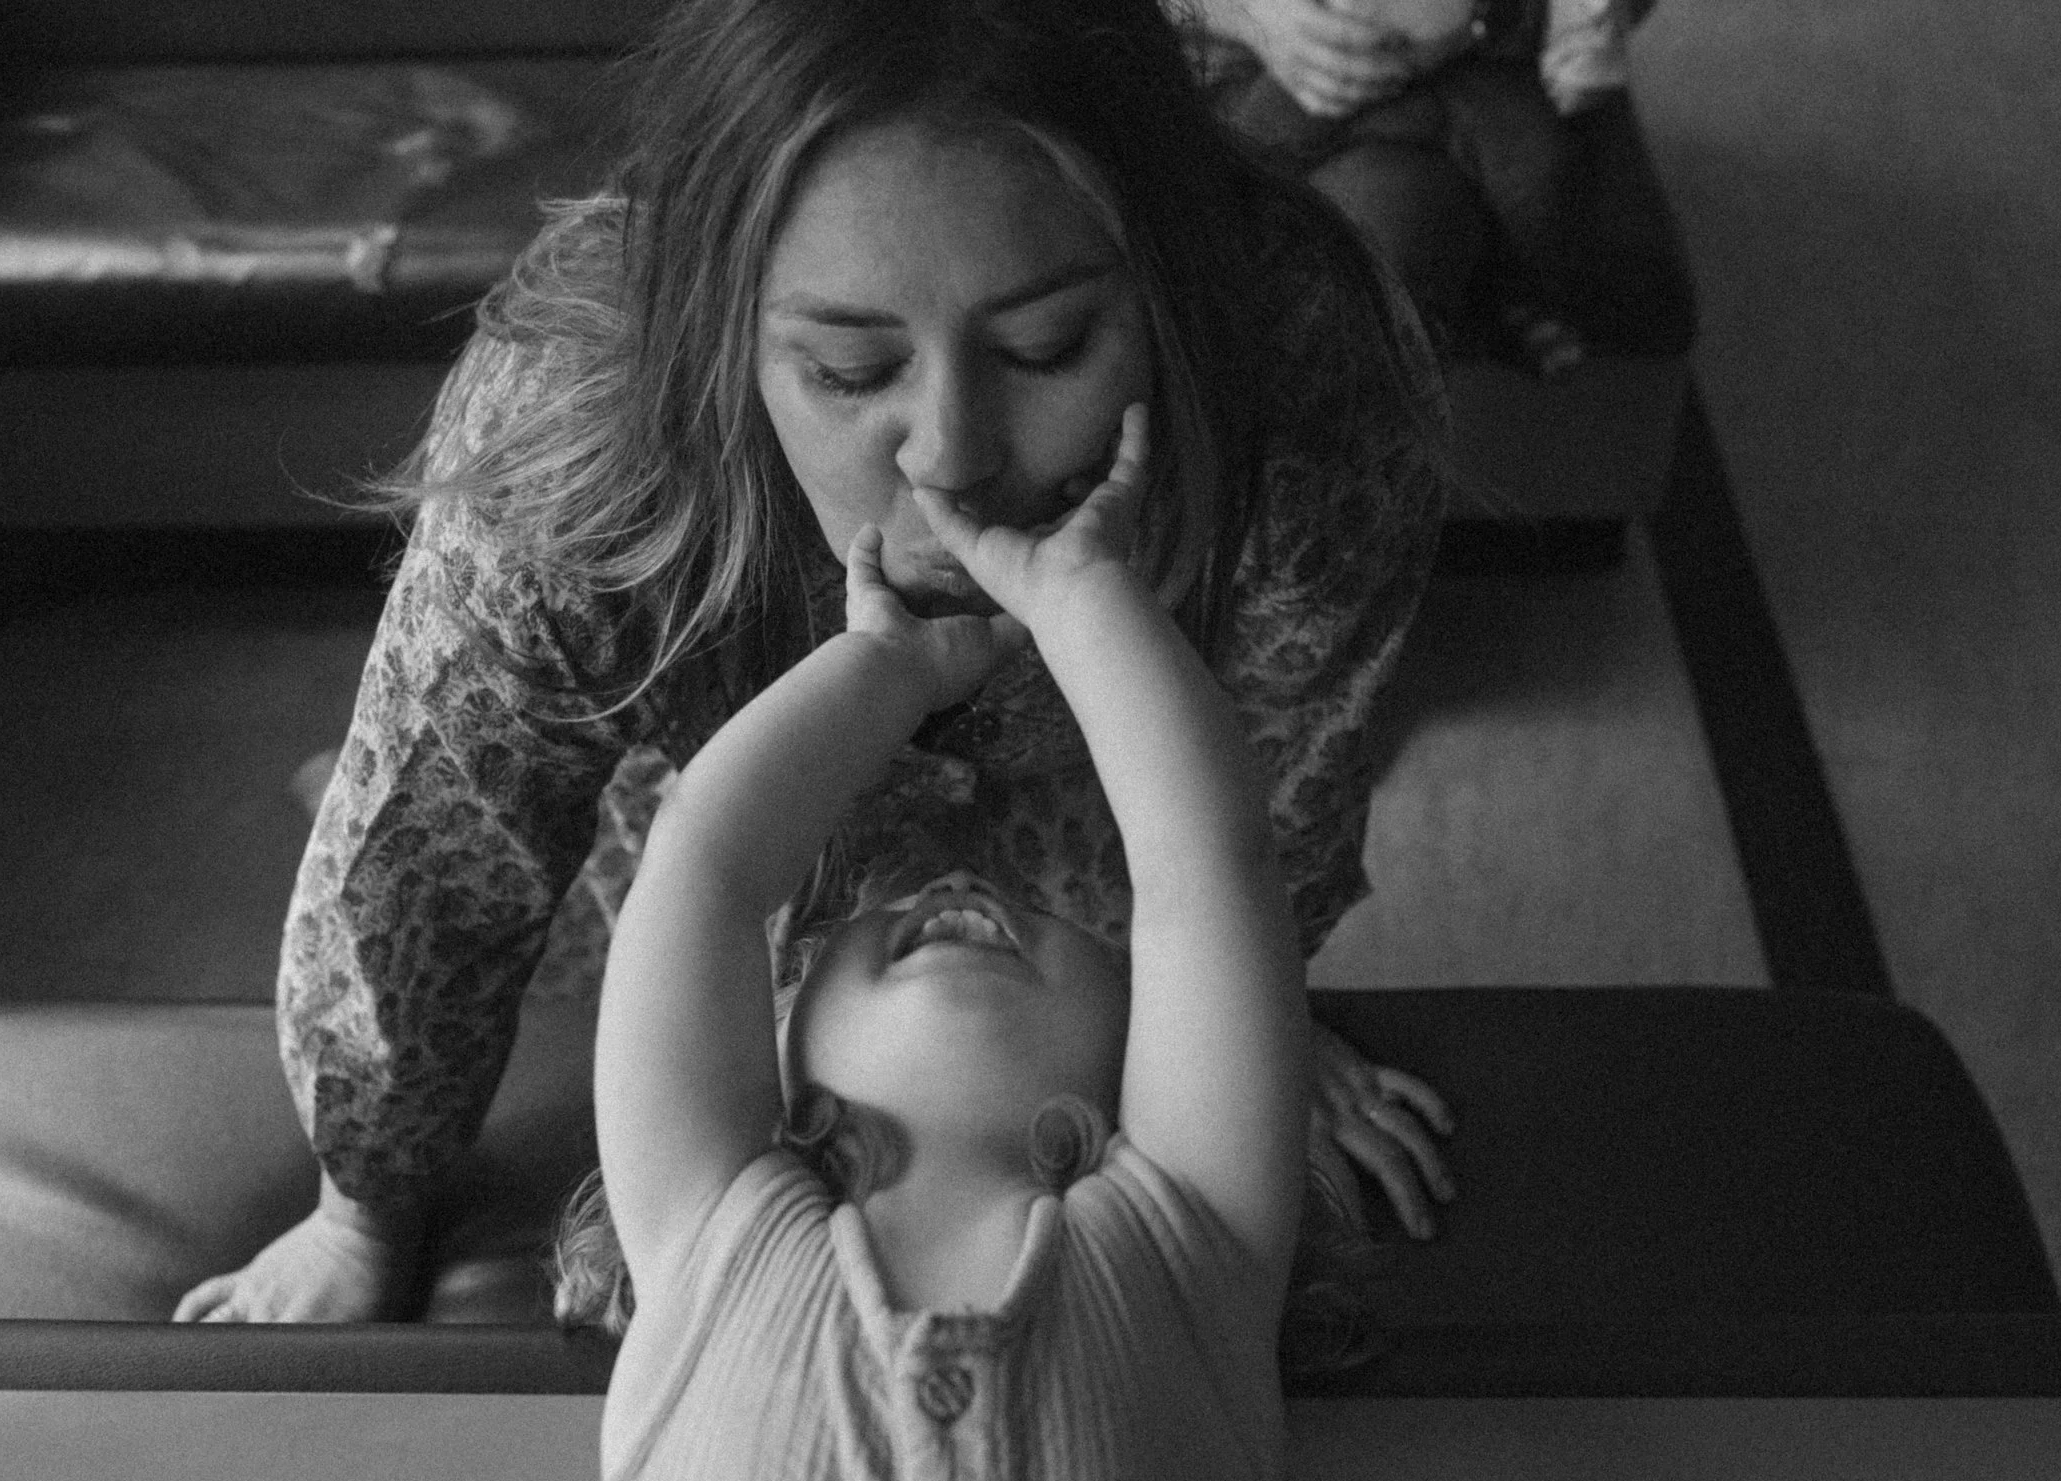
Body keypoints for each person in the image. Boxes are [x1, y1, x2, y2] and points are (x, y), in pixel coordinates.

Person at [176, 0, 1453, 1327]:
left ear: (1172, 290)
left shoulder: (1301, 354)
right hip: (728, 751)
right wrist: (365, 1200)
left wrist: (1236, 1018)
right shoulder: (566, 440)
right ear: (722, 334)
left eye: (1046, 348)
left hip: (1101, 794)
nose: (951, 455)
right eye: (850, 370)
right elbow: (428, 861)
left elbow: (1277, 776)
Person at [533, 395, 1328, 1481]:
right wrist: (883, 669)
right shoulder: (709, 1228)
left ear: (1139, 1067)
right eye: (857, 929)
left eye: (1047, 916)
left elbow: (1203, 867)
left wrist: (1080, 595)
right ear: (780, 1063)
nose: (953, 886)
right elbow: (708, 863)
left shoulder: (1189, 1235)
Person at [1180, 0, 1695, 374]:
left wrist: (1481, 19)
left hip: (1480, 58)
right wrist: (1256, 15)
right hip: (1226, 73)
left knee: (1535, 183)